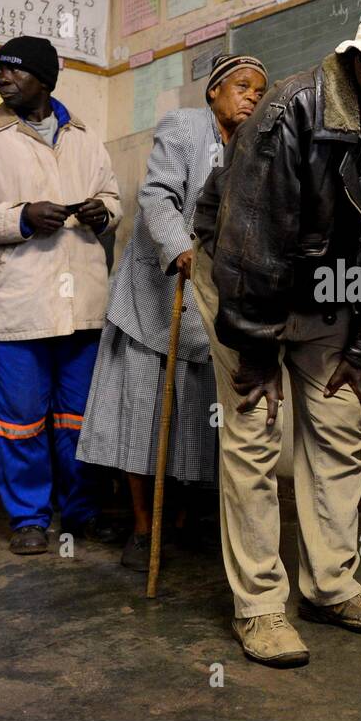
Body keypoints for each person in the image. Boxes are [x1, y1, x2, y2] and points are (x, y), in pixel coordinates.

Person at [192, 0, 361, 667]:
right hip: (241, 279)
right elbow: (251, 246)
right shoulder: (289, 111)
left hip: (329, 288)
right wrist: (255, 351)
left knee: (340, 421)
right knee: (253, 435)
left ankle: (331, 588)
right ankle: (258, 606)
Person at [78, 54, 268, 571]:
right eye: (242, 86)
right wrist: (179, 247)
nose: (252, 96)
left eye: (259, 91)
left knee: (197, 422)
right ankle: (143, 528)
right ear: (214, 91)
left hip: (206, 304)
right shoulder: (184, 127)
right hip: (155, 296)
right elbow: (157, 196)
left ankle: (180, 520)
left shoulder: (255, 149)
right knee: (145, 419)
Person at [0, 36, 121, 555]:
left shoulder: (86, 137)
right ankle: (28, 517)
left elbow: (112, 197)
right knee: (20, 421)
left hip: (81, 305)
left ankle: (83, 510)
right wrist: (19, 217)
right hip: (17, 303)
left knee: (79, 420)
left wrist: (103, 212)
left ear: (45, 80)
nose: (3, 79)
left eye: (15, 71)